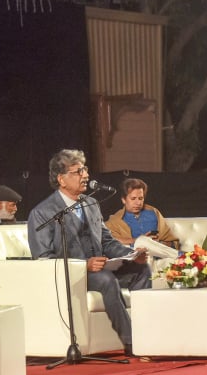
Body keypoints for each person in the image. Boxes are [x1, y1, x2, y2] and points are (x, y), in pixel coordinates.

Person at [27, 149, 150, 356]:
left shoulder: (91, 203)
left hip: (102, 268)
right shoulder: (42, 212)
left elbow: (107, 241)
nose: (86, 175)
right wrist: (83, 265)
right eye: (78, 172)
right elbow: (43, 259)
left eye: (85, 170)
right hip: (74, 275)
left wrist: (130, 254)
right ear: (61, 179)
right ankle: (132, 343)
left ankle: (148, 332)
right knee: (105, 279)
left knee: (141, 270)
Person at [105, 178, 178, 249]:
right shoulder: (116, 220)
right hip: (134, 255)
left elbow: (171, 241)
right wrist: (139, 240)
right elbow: (107, 239)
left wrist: (158, 243)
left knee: (181, 256)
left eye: (141, 198)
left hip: (158, 252)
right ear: (123, 200)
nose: (138, 203)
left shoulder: (154, 213)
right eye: (133, 199)